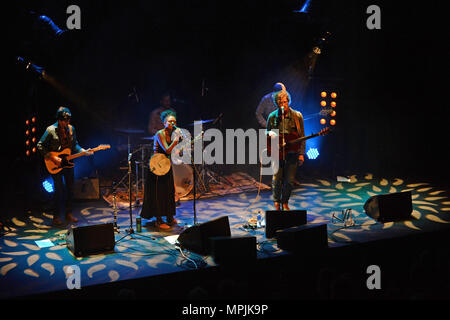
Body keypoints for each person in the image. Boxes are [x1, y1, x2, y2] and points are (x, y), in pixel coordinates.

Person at [37, 106, 93, 226]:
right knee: (58, 190)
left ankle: (68, 213)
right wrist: (53, 157)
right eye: (64, 120)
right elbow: (40, 145)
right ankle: (56, 216)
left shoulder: (71, 129)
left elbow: (75, 145)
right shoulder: (50, 130)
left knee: (70, 188)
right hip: (55, 163)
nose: (66, 123)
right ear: (59, 119)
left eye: (68, 120)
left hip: (68, 163)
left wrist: (83, 150)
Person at [266, 90, 305, 211]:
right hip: (277, 152)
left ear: (288, 101)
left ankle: (285, 202)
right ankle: (277, 202)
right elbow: (266, 133)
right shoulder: (272, 116)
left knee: (289, 181)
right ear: (277, 104)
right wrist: (269, 133)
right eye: (281, 103)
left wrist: (301, 154)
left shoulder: (297, 116)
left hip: (292, 153)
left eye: (285, 102)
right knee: (276, 180)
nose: (283, 105)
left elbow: (302, 136)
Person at [140, 110, 179, 229]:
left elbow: (172, 151)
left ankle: (169, 216)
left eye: (174, 121)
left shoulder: (173, 134)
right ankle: (158, 219)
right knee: (158, 193)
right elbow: (167, 150)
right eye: (169, 121)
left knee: (169, 190)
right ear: (164, 123)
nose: (172, 123)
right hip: (157, 166)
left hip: (166, 165)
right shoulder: (159, 134)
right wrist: (176, 141)